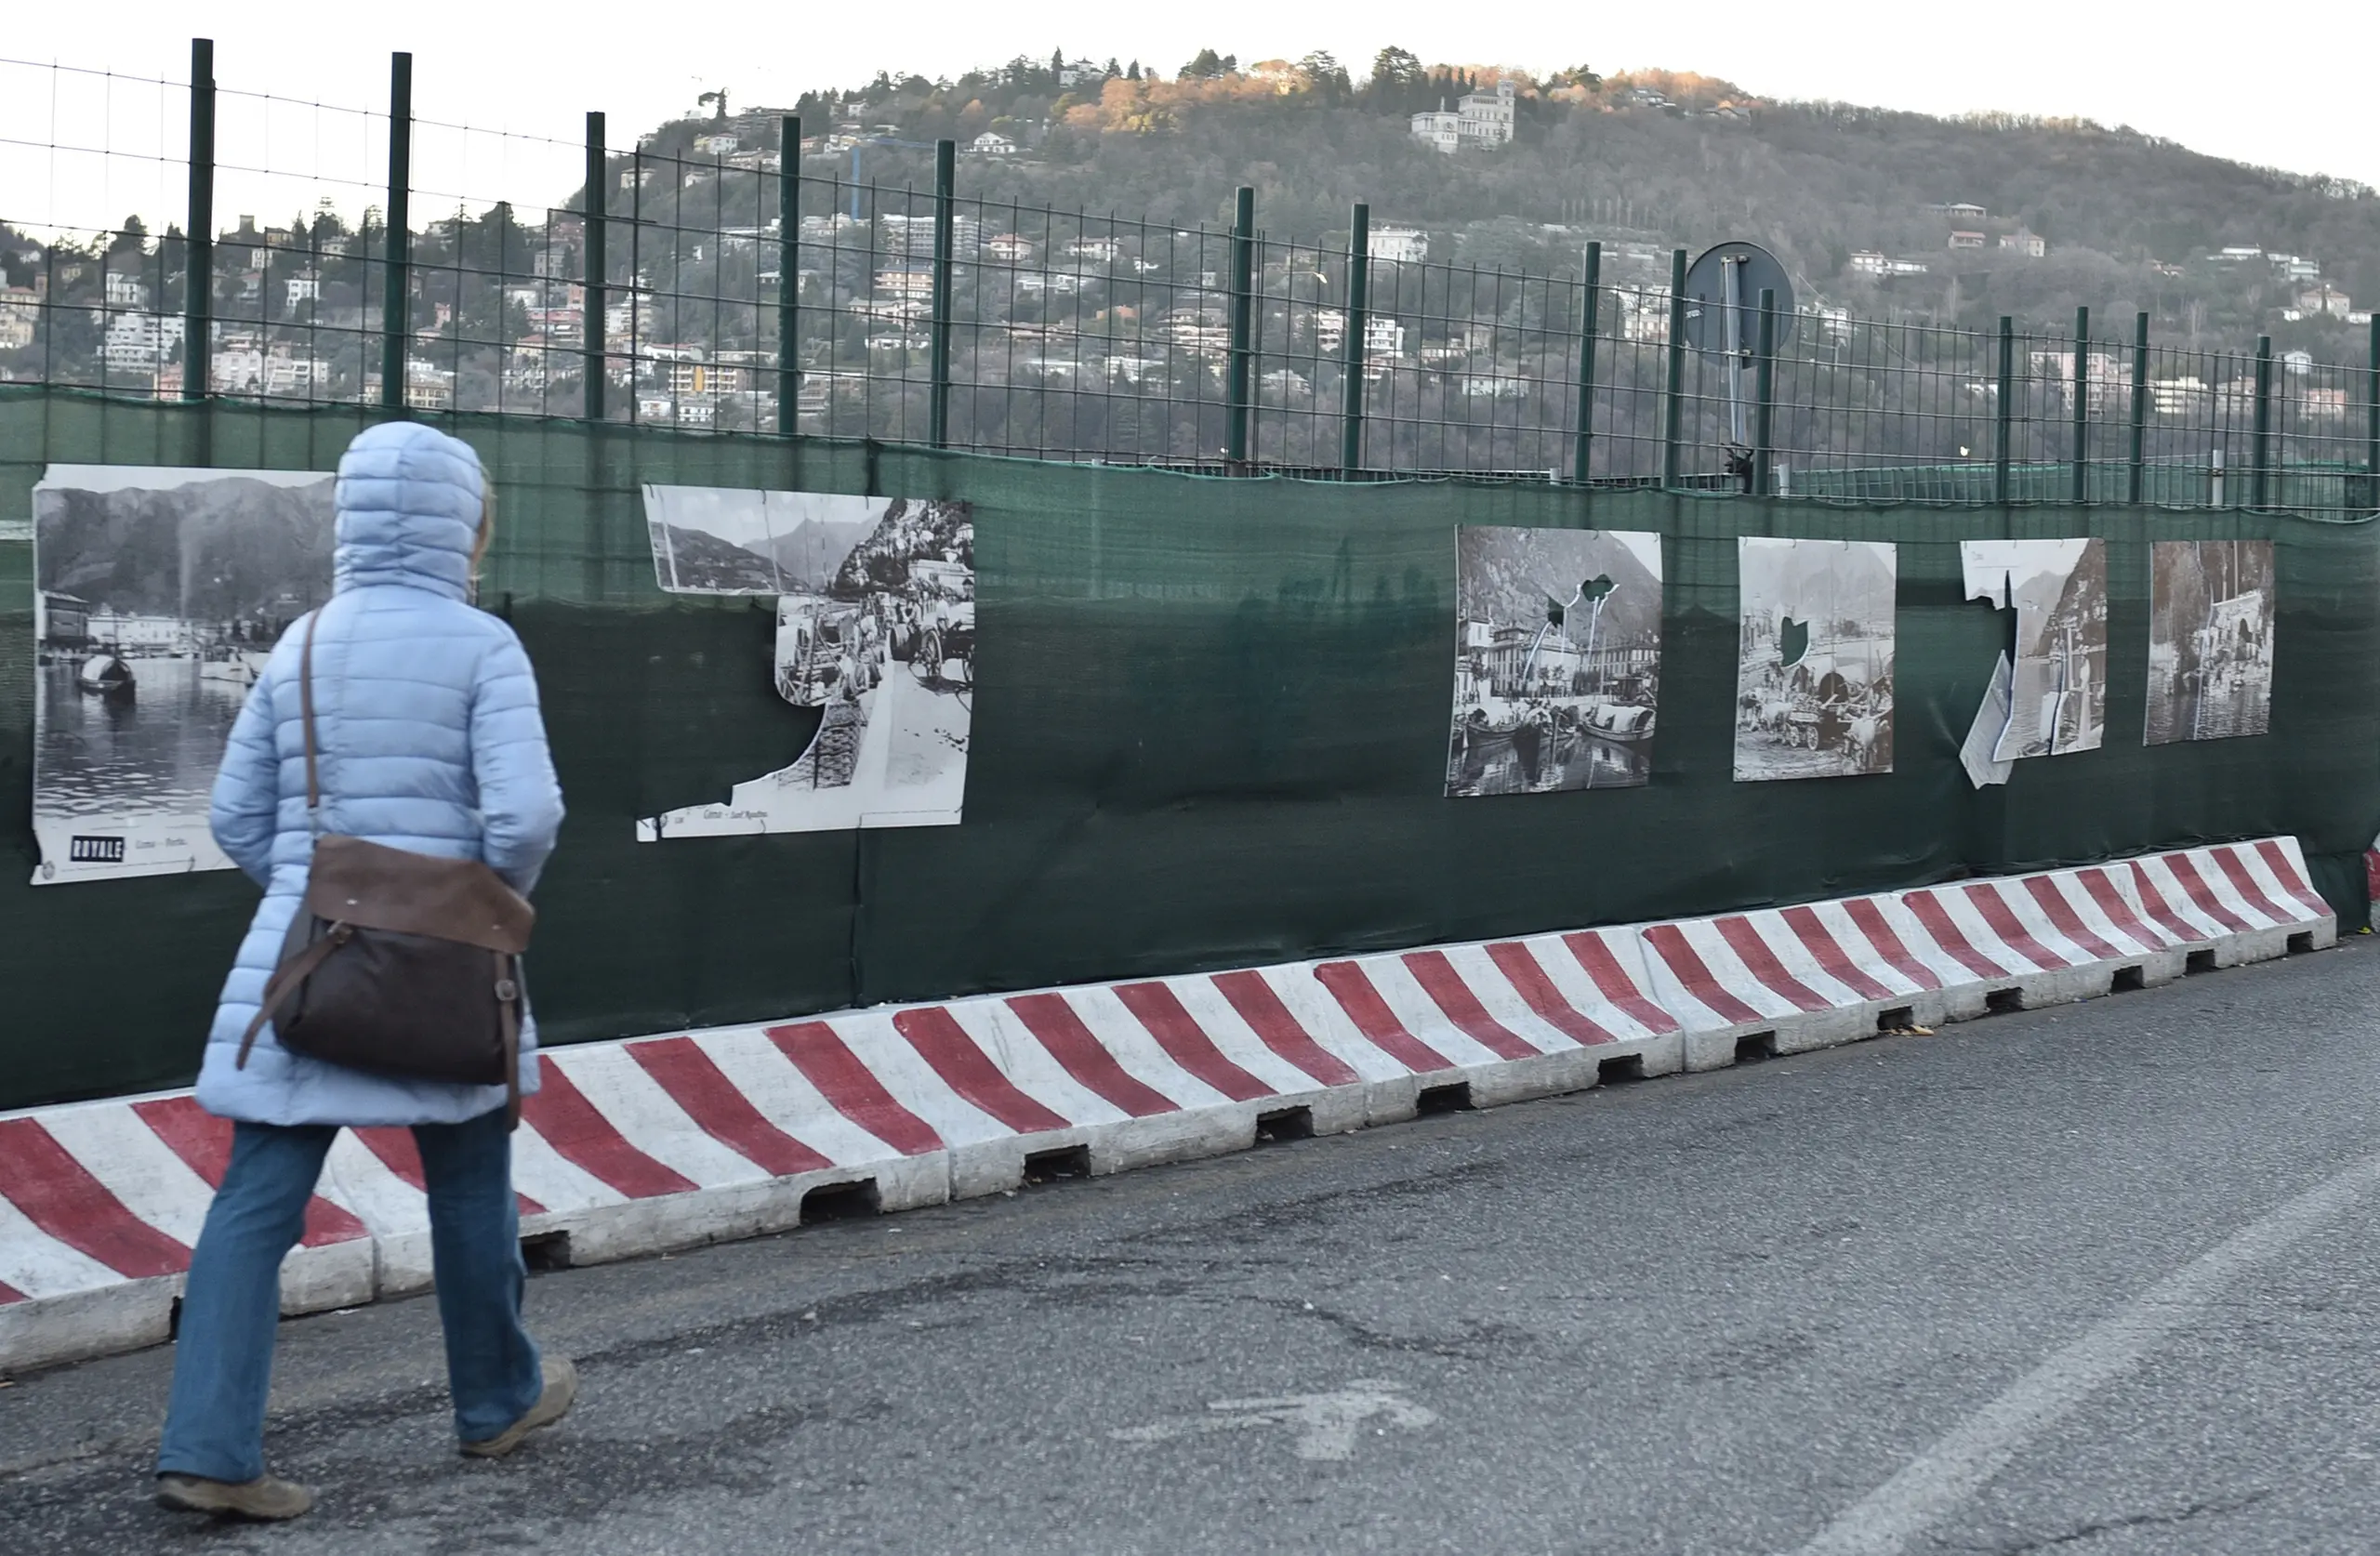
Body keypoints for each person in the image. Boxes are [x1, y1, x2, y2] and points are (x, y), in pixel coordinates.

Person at [154, 422, 571, 1521]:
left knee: (255, 1201)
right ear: (464, 524)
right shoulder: (483, 646)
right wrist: (472, 906)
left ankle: (208, 1449)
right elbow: (526, 812)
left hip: (307, 971)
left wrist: (321, 893)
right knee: (472, 1180)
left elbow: (236, 815)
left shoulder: (298, 643)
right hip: (446, 970)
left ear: (350, 523)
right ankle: (496, 1402)